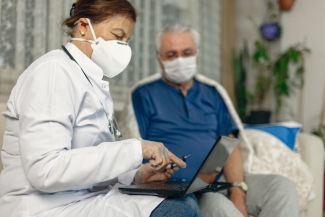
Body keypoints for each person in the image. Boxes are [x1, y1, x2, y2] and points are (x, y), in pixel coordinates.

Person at [0, 2, 203, 217]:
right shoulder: (53, 72)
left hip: (84, 199)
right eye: (118, 36)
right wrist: (136, 149)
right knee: (178, 209)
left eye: (127, 40)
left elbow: (88, 161)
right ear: (84, 26)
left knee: (180, 197)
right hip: (44, 208)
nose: (123, 47)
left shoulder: (90, 79)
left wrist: (135, 176)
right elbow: (46, 170)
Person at [128, 23, 300, 217]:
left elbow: (229, 143)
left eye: (187, 53)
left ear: (197, 54)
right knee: (219, 205)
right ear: (159, 59)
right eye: (171, 55)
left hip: (222, 180)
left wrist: (237, 191)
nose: (180, 60)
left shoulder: (212, 93)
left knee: (281, 187)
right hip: (182, 191)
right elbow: (133, 147)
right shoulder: (143, 95)